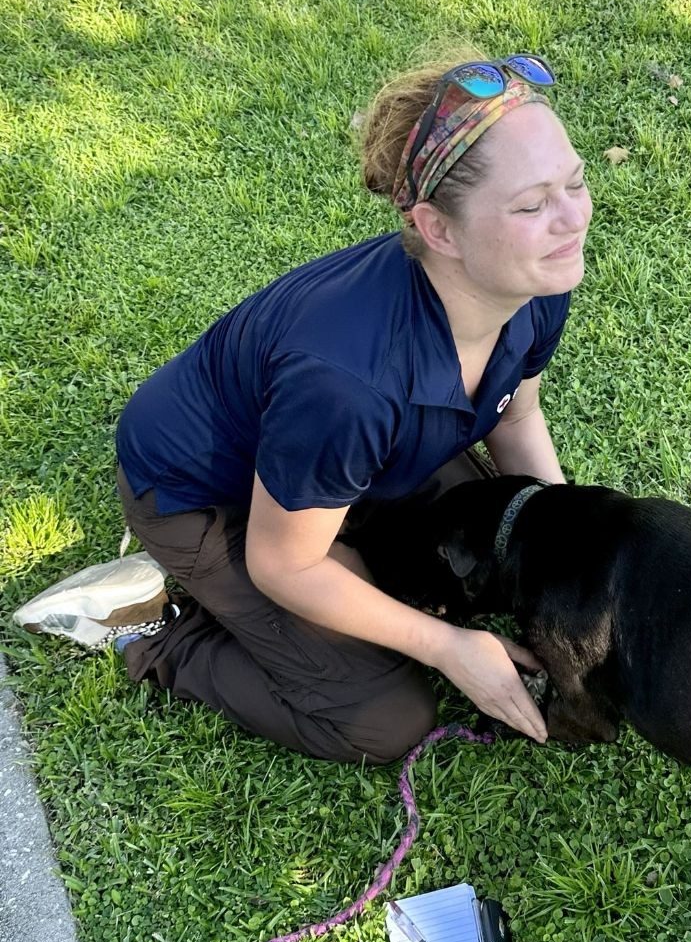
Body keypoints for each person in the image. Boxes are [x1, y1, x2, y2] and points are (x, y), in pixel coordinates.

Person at [13, 48, 593, 764]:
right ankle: (155, 624)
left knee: (499, 559)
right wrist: (446, 647)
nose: (572, 219)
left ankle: (353, 545)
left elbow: (515, 416)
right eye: (533, 205)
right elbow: (284, 566)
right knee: (387, 718)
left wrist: (573, 550)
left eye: (575, 182)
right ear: (437, 229)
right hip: (208, 501)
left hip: (342, 469)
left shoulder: (536, 281)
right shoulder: (349, 381)